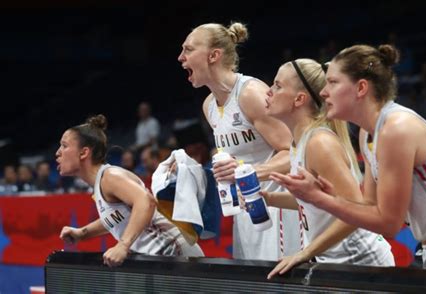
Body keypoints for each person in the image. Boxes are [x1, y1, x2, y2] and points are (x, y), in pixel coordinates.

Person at [270, 44, 426, 271]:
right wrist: (327, 197)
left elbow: (388, 224)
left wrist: (320, 199)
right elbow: (368, 205)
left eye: (333, 83)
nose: (323, 92)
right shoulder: (369, 132)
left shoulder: (396, 129)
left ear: (361, 88)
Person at [178, 22, 301, 261]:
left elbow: (293, 151)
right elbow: (235, 162)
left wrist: (248, 172)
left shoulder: (250, 93)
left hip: (278, 206)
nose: (181, 57)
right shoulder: (209, 106)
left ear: (214, 55)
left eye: (188, 49)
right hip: (245, 207)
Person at [264, 59, 394, 279]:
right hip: (336, 261)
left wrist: (305, 253)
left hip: (359, 261)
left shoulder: (319, 143)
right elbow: (319, 203)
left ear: (299, 99)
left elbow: (356, 212)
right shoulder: (300, 142)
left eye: (277, 85)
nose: (268, 91)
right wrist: (268, 198)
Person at [58, 114, 203, 267]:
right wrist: (83, 233)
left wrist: (123, 245)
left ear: (83, 153)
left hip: (175, 253)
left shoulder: (110, 177)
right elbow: (119, 217)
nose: (58, 153)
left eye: (64, 145)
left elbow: (146, 201)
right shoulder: (101, 183)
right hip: (161, 259)